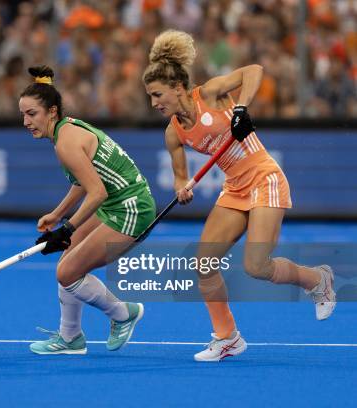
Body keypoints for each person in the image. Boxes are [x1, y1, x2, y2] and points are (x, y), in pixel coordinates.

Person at [141, 30, 336, 362]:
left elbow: (254, 71)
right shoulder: (173, 132)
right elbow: (179, 176)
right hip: (234, 188)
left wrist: (240, 109)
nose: (154, 103)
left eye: (158, 94)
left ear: (178, 88)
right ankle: (227, 337)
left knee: (256, 266)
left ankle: (318, 279)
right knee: (203, 264)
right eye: (150, 97)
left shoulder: (211, 93)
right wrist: (182, 187)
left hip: (264, 177)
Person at [19, 66, 156, 355]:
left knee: (67, 273)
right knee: (67, 263)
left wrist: (66, 230)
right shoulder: (67, 128)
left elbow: (97, 192)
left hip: (130, 207)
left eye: (32, 114)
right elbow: (85, 182)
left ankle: (123, 314)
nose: (26, 121)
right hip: (116, 203)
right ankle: (70, 339)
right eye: (23, 115)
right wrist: (58, 215)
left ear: (52, 112)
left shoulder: (65, 142)